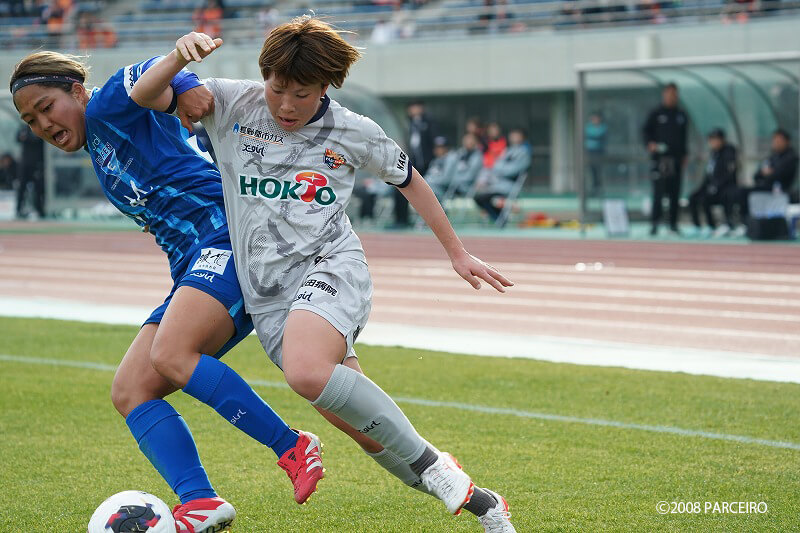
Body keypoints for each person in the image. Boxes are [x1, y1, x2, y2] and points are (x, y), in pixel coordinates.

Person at [131, 20, 517, 532]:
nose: (286, 105)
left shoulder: (354, 131)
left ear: (327, 86)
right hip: (267, 294)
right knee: (367, 430)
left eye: (302, 94)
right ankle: (485, 505)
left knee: (306, 372)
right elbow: (143, 95)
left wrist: (457, 252)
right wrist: (180, 61)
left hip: (330, 264)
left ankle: (434, 467)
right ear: (264, 77)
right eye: (278, 89)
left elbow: (410, 180)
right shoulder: (231, 102)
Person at [10, 51, 324, 532]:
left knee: (172, 354)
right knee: (131, 390)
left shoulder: (105, 107)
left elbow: (147, 70)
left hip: (228, 240)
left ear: (76, 91)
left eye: (46, 107)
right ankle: (199, 500)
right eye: (31, 120)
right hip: (193, 266)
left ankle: (292, 446)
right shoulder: (101, 145)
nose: (42, 124)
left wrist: (183, 72)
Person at [733, 128, 799, 236]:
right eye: (774, 140)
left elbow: (779, 175)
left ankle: (746, 224)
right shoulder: (773, 156)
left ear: (786, 141)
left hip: (781, 190)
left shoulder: (791, 157)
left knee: (745, 192)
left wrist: (769, 173)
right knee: (741, 191)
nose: (776, 143)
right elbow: (757, 175)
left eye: (779, 140)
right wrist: (767, 173)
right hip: (766, 187)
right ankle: (745, 224)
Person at [642, 82, 688, 236]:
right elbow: (645, 132)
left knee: (675, 193)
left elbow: (684, 138)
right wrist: (650, 144)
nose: (671, 97)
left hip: (676, 160)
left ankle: (673, 224)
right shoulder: (656, 113)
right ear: (664, 94)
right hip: (660, 159)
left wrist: (684, 155)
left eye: (674, 94)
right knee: (659, 192)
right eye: (669, 94)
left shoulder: (681, 115)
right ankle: (655, 223)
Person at [474, 127, 531, 225]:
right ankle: (500, 218)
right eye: (512, 135)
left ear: (523, 137)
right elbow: (495, 166)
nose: (514, 137)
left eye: (517, 135)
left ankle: (499, 219)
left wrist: (500, 169)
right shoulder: (507, 150)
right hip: (496, 184)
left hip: (509, 186)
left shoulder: (524, 153)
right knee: (478, 197)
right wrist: (501, 168)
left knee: (482, 198)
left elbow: (513, 170)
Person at [687, 128, 738, 237]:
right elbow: (709, 174)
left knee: (706, 198)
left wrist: (715, 186)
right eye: (711, 140)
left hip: (725, 188)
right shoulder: (713, 153)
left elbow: (729, 173)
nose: (712, 142)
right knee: (693, 197)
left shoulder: (729, 151)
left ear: (722, 140)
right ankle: (697, 226)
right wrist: (702, 188)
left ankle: (712, 225)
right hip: (711, 187)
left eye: (715, 139)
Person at [394, 100, 436, 228]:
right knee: (399, 188)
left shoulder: (428, 123)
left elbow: (434, 142)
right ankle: (401, 220)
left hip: (426, 165)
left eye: (416, 107)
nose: (414, 110)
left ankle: (429, 220)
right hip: (411, 163)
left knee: (422, 191)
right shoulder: (408, 124)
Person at [16, 123, 45, 219]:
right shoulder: (23, 127)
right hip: (24, 164)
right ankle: (18, 210)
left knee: (38, 188)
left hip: (36, 163)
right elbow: (17, 138)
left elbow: (38, 140)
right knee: (21, 187)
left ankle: (40, 210)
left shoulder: (39, 127)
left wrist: (26, 138)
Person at [585, 111, 608, 194]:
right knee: (592, 170)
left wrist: (593, 136)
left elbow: (598, 135)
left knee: (599, 169)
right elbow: (590, 134)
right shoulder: (588, 127)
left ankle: (599, 187)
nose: (595, 120)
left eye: (596, 118)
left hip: (599, 151)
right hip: (590, 151)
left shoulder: (603, 127)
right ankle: (593, 187)